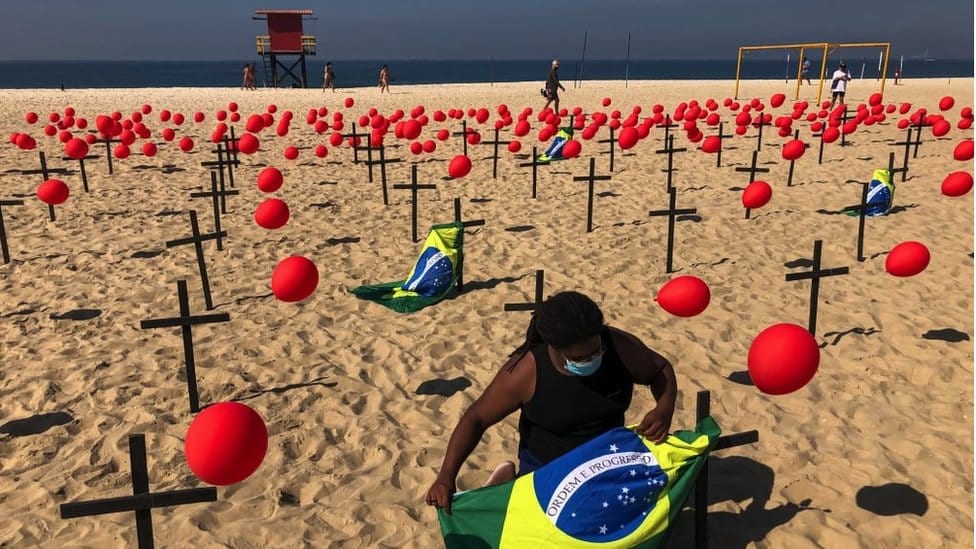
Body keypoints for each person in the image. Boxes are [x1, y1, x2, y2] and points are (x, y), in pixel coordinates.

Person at [425, 291, 678, 514]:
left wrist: (664, 408)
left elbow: (660, 369)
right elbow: (476, 418)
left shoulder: (619, 347)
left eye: (596, 351)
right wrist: (446, 476)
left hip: (605, 460)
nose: (591, 359)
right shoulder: (526, 372)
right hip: (547, 469)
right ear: (555, 348)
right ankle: (508, 486)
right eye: (580, 357)